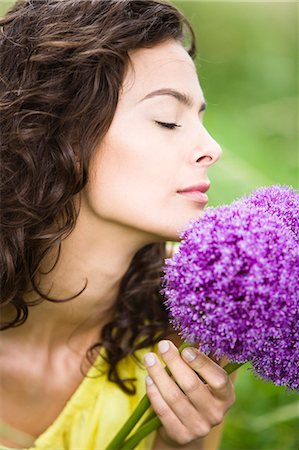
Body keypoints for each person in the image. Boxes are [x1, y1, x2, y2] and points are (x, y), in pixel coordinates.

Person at [0, 0, 236, 449]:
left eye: (201, 119)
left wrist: (179, 443)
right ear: (59, 131)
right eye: (168, 120)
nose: (212, 148)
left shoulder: (194, 327)